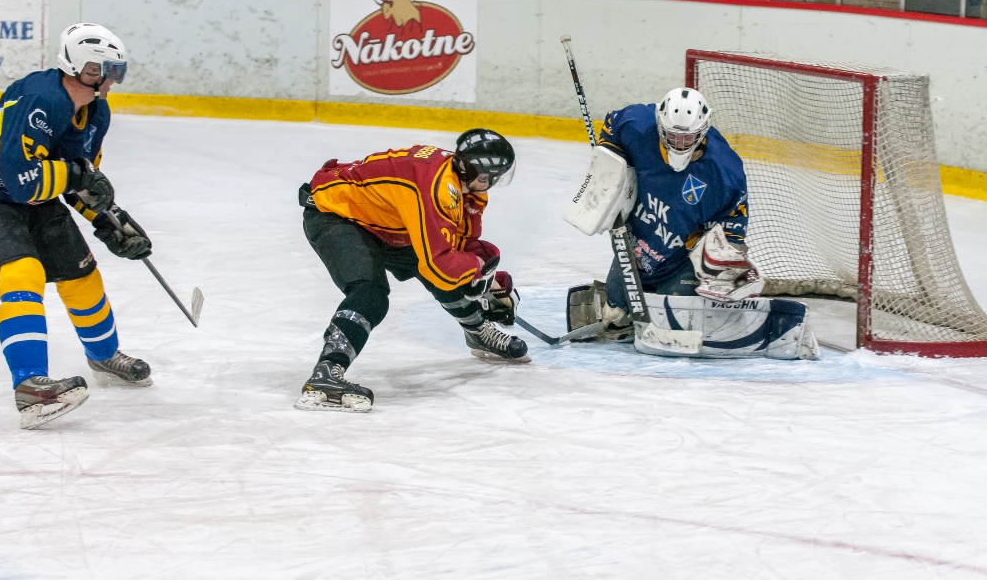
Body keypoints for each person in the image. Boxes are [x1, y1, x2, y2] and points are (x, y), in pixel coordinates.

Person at [0, 23, 154, 430]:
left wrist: (110, 222)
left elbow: (82, 179)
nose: (105, 78)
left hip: (35, 197)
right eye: (96, 68)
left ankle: (104, 356)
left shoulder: (96, 112)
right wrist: (76, 176)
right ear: (74, 66)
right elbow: (20, 178)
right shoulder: (39, 98)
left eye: (111, 69)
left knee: (81, 275)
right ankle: (30, 385)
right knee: (23, 273)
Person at [297, 129, 526, 412]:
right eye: (493, 175)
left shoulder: (465, 187)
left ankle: (477, 331)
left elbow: (461, 247)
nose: (494, 182)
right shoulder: (437, 187)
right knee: (371, 292)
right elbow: (439, 266)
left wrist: (488, 282)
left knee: (449, 267)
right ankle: (326, 373)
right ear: (475, 171)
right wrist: (475, 272)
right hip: (336, 214)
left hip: (384, 221)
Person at [567, 88, 753, 340]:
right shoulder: (637, 123)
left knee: (673, 319)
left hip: (681, 260)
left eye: (688, 138)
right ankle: (618, 299)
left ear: (703, 131)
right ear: (659, 123)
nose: (679, 143)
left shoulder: (725, 172)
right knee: (615, 316)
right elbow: (612, 126)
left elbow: (733, 221)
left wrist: (722, 256)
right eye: (672, 135)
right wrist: (613, 171)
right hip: (637, 244)